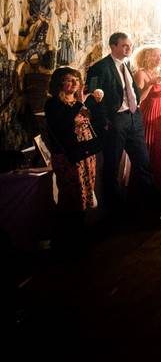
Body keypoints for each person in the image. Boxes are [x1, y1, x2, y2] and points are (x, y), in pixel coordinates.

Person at [85, 32, 161, 216]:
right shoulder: (99, 67)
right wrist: (105, 122)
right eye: (124, 46)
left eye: (130, 45)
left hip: (133, 119)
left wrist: (135, 115)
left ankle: (155, 207)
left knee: (143, 164)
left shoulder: (126, 65)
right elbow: (92, 98)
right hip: (115, 122)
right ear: (113, 46)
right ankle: (115, 214)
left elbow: (133, 94)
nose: (129, 49)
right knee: (112, 168)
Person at [43, 66, 99, 251]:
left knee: (85, 191)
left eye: (76, 79)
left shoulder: (76, 102)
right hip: (68, 155)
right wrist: (79, 104)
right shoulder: (52, 104)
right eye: (69, 80)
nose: (75, 84)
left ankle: (82, 231)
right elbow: (63, 126)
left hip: (85, 153)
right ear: (60, 83)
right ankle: (69, 237)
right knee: (72, 194)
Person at [132, 44, 161, 201]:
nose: (158, 58)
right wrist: (150, 84)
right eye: (155, 55)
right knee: (148, 153)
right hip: (148, 115)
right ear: (146, 56)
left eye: (160, 55)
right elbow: (138, 99)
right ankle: (146, 195)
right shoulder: (140, 74)